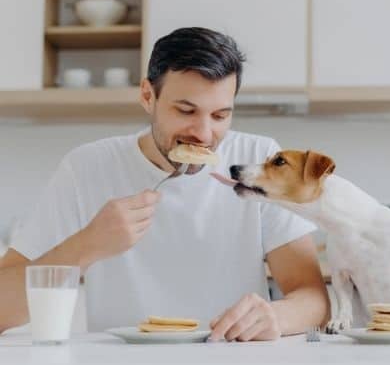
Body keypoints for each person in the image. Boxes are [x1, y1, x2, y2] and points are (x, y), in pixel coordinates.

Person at [0, 27, 329, 341]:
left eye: (219, 116)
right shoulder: (86, 168)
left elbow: (314, 300)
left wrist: (276, 317)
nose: (203, 134)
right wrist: (89, 244)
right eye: (186, 110)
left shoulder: (258, 160)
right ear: (147, 95)